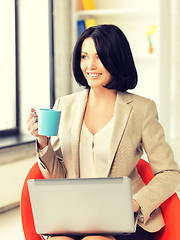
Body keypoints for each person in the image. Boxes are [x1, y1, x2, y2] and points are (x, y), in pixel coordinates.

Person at [26, 24, 180, 240]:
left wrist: (134, 204)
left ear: (116, 59)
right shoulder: (64, 105)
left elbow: (170, 173)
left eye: (99, 57)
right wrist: (43, 142)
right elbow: (59, 177)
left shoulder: (142, 109)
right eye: (84, 56)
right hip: (75, 216)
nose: (90, 65)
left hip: (125, 219)